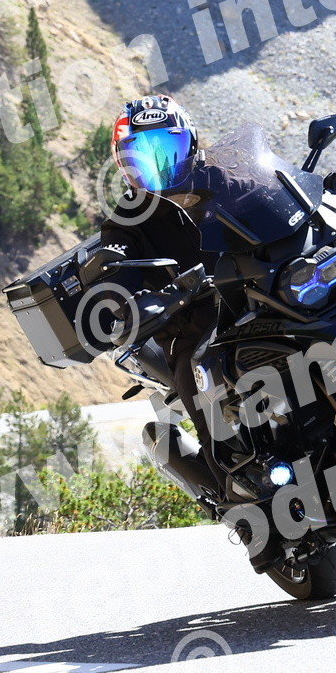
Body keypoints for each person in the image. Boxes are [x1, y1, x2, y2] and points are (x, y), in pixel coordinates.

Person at [103, 95, 224, 480]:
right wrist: (122, 295)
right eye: (141, 156)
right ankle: (234, 482)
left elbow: (270, 194)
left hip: (257, 294)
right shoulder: (126, 219)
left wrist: (325, 192)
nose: (158, 164)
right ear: (123, 163)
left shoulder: (222, 178)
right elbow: (115, 264)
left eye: (167, 149)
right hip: (194, 327)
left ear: (191, 144)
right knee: (198, 376)